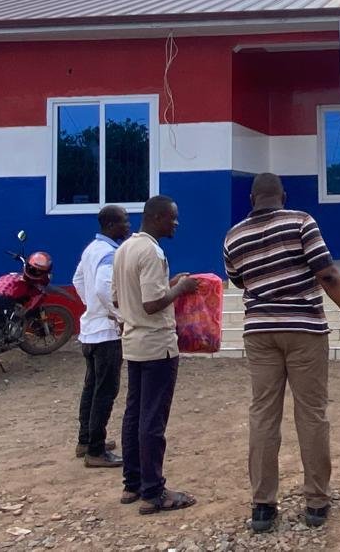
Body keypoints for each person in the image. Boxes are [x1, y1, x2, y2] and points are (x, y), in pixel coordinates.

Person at [223, 173, 340, 532]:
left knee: (263, 415)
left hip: (259, 333)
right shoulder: (301, 222)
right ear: (282, 195)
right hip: (304, 331)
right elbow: (326, 273)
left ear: (252, 198)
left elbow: (239, 280)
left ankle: (262, 507)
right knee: (312, 414)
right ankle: (316, 502)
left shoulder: (233, 236)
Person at [111, 194, 199, 515]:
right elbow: (151, 304)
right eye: (173, 217)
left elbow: (121, 299)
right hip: (157, 346)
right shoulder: (151, 251)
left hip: (133, 344)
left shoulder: (124, 250)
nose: (176, 223)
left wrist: (168, 285)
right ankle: (154, 492)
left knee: (134, 414)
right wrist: (181, 288)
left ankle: (132, 484)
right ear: (158, 217)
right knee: (152, 419)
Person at [72, 205, 131, 468]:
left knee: (91, 387)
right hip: (106, 333)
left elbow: (78, 280)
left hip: (90, 330)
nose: (128, 226)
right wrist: (120, 315)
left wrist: (91, 306)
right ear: (111, 225)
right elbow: (104, 287)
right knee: (105, 391)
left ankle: (86, 440)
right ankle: (96, 450)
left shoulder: (90, 249)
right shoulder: (110, 253)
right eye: (124, 221)